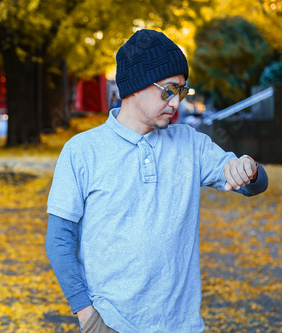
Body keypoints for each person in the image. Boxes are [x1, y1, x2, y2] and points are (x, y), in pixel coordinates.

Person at [45, 29, 268, 333]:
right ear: (135, 87)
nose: (176, 101)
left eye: (182, 91)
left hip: (183, 326)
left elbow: (254, 183)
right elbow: (59, 241)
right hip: (110, 324)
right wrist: (88, 317)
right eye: (168, 90)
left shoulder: (191, 144)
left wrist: (249, 169)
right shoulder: (82, 151)